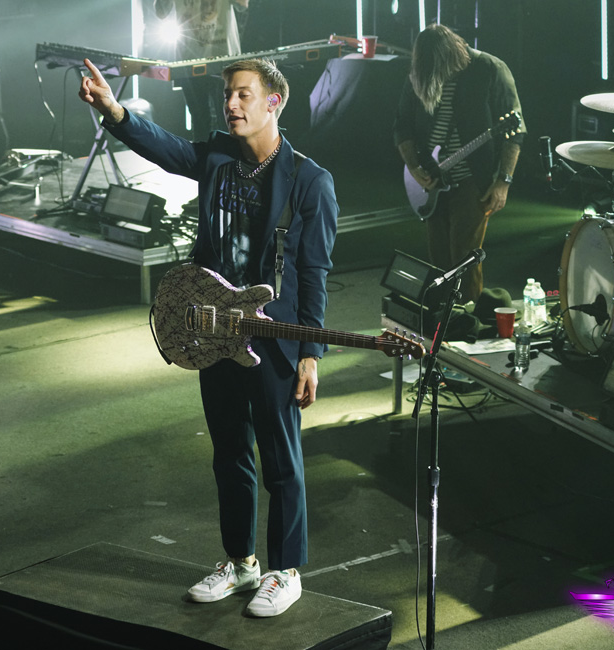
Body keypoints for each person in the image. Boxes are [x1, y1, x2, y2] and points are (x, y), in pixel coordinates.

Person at [79, 56, 338, 617]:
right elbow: (166, 147)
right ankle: (241, 563)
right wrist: (115, 111)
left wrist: (310, 355)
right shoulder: (219, 157)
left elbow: (315, 273)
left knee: (280, 460)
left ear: (275, 101)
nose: (231, 105)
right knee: (228, 453)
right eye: (228, 95)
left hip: (272, 338)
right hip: (214, 330)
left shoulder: (310, 181)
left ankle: (285, 570)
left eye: (244, 95)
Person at [393, 24, 525, 306]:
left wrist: (503, 181)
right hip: (431, 179)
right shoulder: (420, 72)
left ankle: (468, 320)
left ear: (451, 56)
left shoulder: (489, 68)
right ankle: (444, 320)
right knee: (439, 257)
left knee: (464, 257)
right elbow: (402, 126)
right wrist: (415, 168)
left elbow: (517, 133)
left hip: (471, 178)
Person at [154, 0, 249, 140]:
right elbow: (161, 12)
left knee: (228, 119)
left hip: (223, 60)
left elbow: (243, 4)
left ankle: (230, 160)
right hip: (189, 61)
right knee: (199, 122)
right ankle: (204, 160)